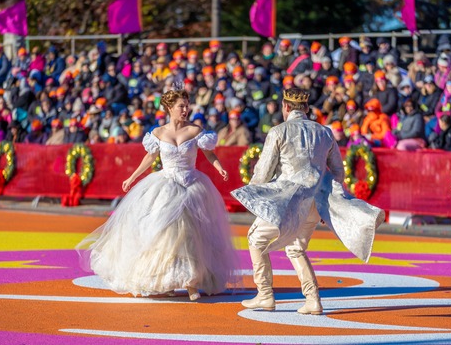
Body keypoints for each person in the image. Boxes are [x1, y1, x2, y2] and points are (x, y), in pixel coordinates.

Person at [231, 88, 384, 315]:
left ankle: (264, 294)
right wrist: (329, 204)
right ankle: (312, 299)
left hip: (288, 201)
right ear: (306, 108)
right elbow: (338, 172)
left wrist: (255, 197)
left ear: (285, 107)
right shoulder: (324, 132)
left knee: (256, 239)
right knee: (296, 248)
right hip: (315, 201)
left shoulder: (278, 131)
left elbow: (262, 173)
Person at [77, 88, 239, 301]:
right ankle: (168, 279)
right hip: (165, 185)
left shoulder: (196, 131)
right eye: (181, 106)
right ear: (170, 108)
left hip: (191, 184)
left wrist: (219, 168)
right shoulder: (157, 133)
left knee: (191, 233)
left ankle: (192, 282)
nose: (185, 110)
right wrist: (132, 177)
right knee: (165, 233)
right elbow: (150, 158)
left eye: (186, 106)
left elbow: (209, 154)